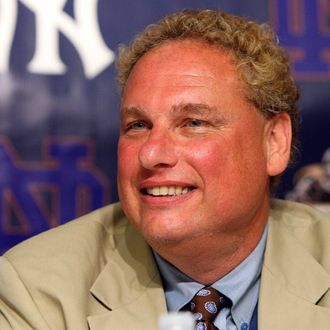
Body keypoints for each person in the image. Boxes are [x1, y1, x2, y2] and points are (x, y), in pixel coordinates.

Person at [1, 9, 330, 330]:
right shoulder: (36, 292)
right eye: (138, 125)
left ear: (274, 142)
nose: (151, 153)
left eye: (193, 122)